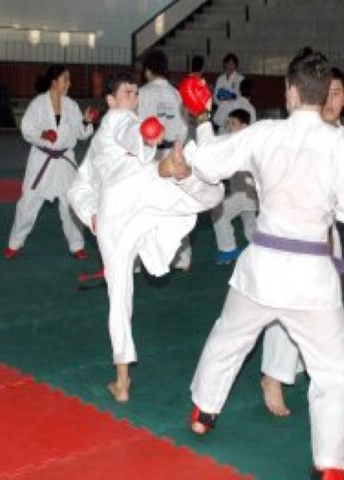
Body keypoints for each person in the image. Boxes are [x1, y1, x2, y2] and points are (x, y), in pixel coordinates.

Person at [184, 48, 344, 479]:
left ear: (290, 91)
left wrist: (201, 118)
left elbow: (208, 163)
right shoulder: (341, 146)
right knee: (335, 373)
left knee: (229, 337)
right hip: (311, 278)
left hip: (263, 269)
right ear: (324, 93)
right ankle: (331, 465)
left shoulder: (265, 134)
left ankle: (203, 410)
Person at [68, 72, 223, 404]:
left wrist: (92, 216)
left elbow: (78, 187)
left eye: (136, 92)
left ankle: (122, 380)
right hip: (139, 188)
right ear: (110, 100)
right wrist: (146, 134)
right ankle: (175, 171)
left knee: (119, 294)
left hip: (114, 212)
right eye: (127, 92)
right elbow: (129, 130)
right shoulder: (118, 119)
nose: (133, 98)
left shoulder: (98, 143)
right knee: (209, 195)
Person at [260, 67, 344, 418]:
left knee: (322, 307)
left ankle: (314, 369)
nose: (330, 100)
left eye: (337, 93)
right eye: (326, 92)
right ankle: (273, 376)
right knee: (283, 304)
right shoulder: (296, 133)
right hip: (287, 233)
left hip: (325, 238)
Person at [3, 64, 94, 261]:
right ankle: (15, 243)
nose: (69, 83)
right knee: (28, 203)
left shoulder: (71, 105)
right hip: (42, 160)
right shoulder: (37, 104)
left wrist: (86, 121)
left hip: (64, 161)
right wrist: (43, 134)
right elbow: (27, 129)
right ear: (54, 82)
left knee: (70, 203)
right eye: (66, 79)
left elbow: (81, 133)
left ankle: (77, 245)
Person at [138, 49, 191, 271]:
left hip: (150, 154)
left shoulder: (142, 93)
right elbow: (185, 126)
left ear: (148, 70)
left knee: (144, 207)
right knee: (175, 206)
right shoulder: (176, 94)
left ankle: (138, 261)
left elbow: (137, 126)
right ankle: (183, 259)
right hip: (175, 152)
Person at [210, 108, 258, 265]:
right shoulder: (241, 141)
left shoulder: (243, 143)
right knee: (250, 225)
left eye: (233, 123)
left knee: (219, 214)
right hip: (249, 193)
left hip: (243, 192)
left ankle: (229, 250)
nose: (229, 126)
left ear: (244, 126)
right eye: (228, 123)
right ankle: (262, 250)